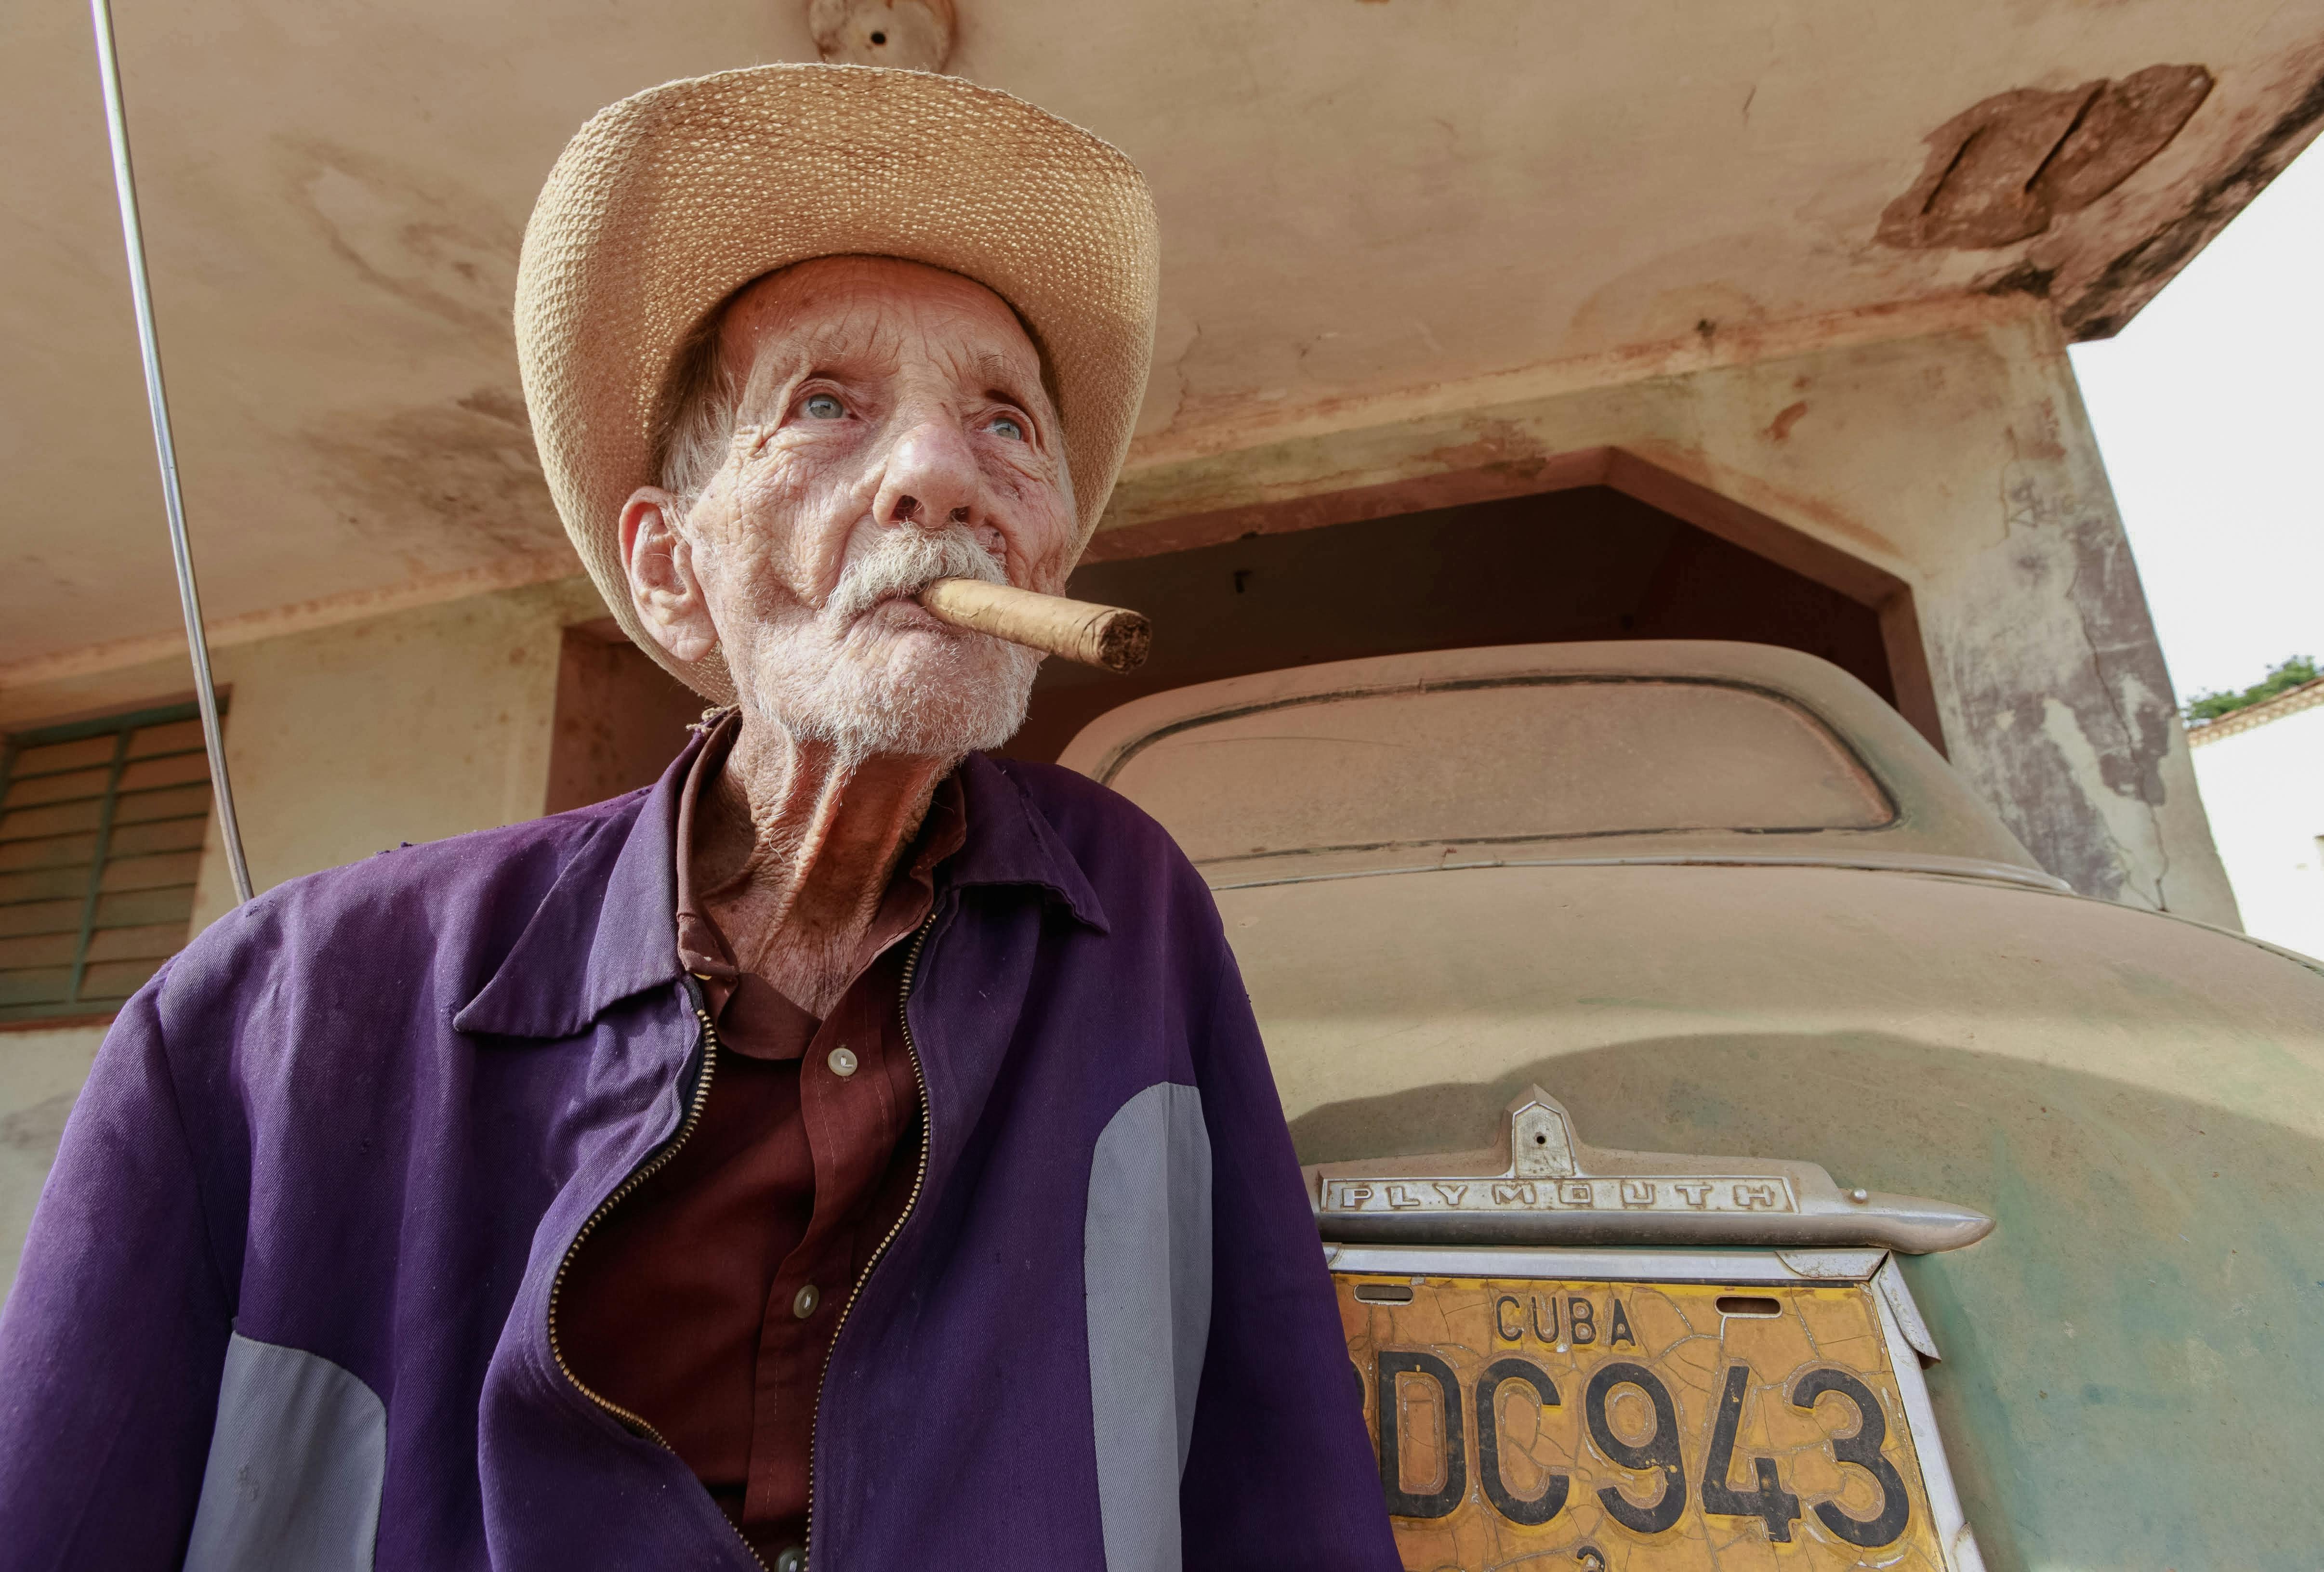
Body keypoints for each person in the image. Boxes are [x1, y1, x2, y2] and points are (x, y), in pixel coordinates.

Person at [0, 64, 1400, 1572]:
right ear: (671, 567)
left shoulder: (1124, 907)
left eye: (1006, 423)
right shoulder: (274, 1009)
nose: (942, 474)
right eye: (824, 404)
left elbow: (1272, 1443)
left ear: (1052, 552)